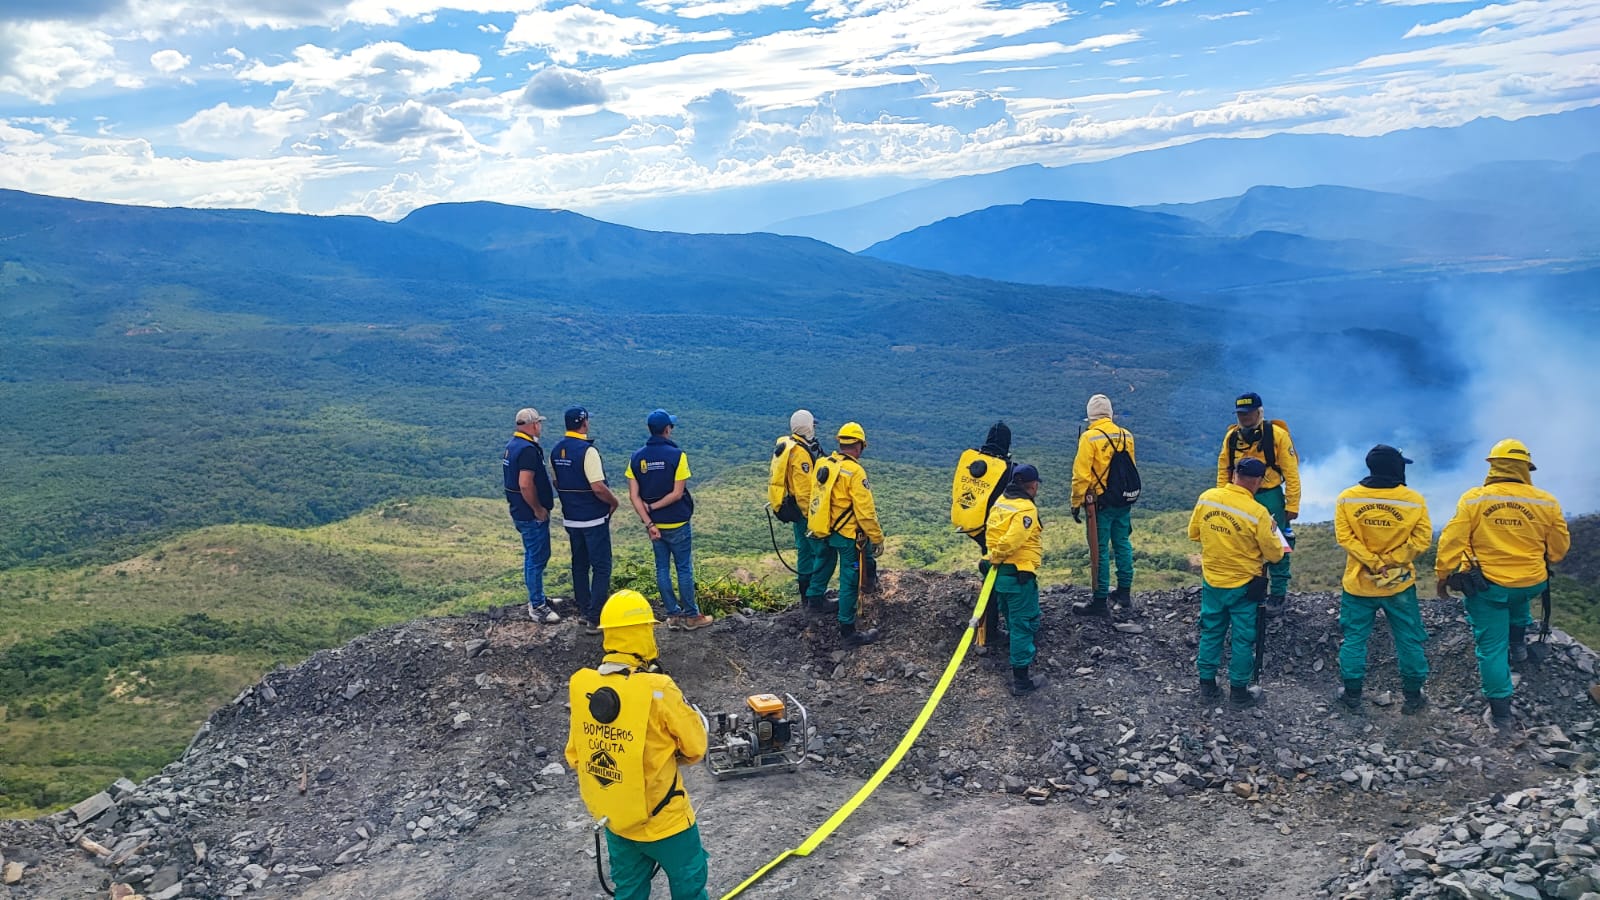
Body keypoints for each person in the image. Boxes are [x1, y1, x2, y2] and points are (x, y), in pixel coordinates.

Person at [565, 590, 710, 900]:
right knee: (690, 883)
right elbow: (696, 747)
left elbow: (576, 755)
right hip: (666, 821)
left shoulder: (583, 685)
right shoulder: (657, 687)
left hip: (616, 819)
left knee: (629, 891)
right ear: (643, 632)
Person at [1435, 439, 1571, 730]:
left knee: (1491, 648)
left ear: (1493, 466)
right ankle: (1519, 647)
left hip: (1490, 587)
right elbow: (1558, 551)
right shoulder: (1546, 501)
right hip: (1533, 582)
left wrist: (1443, 576)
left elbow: (1451, 541)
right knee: (1518, 597)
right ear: (1526, 469)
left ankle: (1501, 715)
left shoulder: (1474, 499)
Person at [1333, 445, 1433, 715]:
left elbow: (1346, 539)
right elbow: (1422, 540)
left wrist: (1374, 563)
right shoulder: (1414, 500)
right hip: (1398, 584)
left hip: (1358, 584)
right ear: (1397, 468)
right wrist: (1391, 561)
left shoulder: (1347, 498)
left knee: (1355, 638)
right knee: (1408, 639)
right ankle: (1413, 696)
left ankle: (1352, 694)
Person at [1188, 458, 1287, 708]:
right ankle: (1239, 693)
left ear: (1233, 475)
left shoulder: (1207, 497)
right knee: (1243, 638)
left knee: (1211, 631)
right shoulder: (1258, 513)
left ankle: (1207, 686)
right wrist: (1273, 529)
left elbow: (1194, 533)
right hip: (1244, 585)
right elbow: (1275, 555)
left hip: (1212, 580)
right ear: (1258, 481)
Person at [1216, 392, 1300, 617]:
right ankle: (1249, 588)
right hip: (1239, 494)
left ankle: (1278, 593)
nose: (1245, 417)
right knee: (1240, 541)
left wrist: (1292, 505)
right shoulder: (1232, 437)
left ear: (1259, 412)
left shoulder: (1277, 436)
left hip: (1269, 495)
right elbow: (1224, 468)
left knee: (1278, 541)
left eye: (1249, 413)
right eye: (1241, 414)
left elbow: (1292, 473)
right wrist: (1221, 497)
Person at [628, 409, 713, 630]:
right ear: (667, 429)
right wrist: (655, 507)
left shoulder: (636, 458)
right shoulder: (678, 456)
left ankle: (673, 616)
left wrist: (649, 521)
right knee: (683, 568)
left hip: (654, 526)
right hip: (677, 522)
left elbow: (633, 496)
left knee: (662, 568)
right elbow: (677, 494)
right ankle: (692, 616)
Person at [805, 422, 883, 647]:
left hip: (823, 528)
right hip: (848, 535)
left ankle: (815, 601)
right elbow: (866, 512)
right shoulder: (855, 472)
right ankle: (848, 631)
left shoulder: (823, 463)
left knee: (823, 563)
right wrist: (876, 538)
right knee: (850, 579)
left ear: (840, 443)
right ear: (859, 446)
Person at [552, 406, 620, 634]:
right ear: (584, 423)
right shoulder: (588, 451)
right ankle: (595, 616)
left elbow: (556, 482)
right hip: (593, 518)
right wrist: (614, 502)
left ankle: (583, 609)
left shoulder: (555, 450)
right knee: (601, 566)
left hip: (572, 519)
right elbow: (598, 487)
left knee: (579, 564)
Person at [985, 464, 1049, 696]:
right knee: (1024, 622)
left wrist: (991, 558)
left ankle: (1014, 649)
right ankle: (1021, 681)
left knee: (1011, 616)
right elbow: (1012, 540)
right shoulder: (1025, 509)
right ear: (1031, 485)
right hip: (1017, 574)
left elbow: (992, 533)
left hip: (1000, 576)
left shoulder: (1001, 501)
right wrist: (997, 556)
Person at [1070, 394, 1136, 616]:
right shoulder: (1126, 436)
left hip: (1100, 504)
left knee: (1100, 550)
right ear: (1110, 413)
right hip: (1123, 499)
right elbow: (1131, 468)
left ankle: (1099, 601)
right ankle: (1124, 592)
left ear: (1090, 416)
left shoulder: (1089, 438)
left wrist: (1075, 502)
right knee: (1123, 543)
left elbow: (1081, 476)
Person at [951, 422, 1014, 642]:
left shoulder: (971, 460)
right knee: (993, 579)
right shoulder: (1005, 468)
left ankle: (988, 628)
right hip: (991, 531)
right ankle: (989, 631)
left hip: (968, 524)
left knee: (989, 572)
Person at [504, 407, 563, 623]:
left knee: (535, 555)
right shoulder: (528, 449)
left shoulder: (513, 445)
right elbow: (525, 484)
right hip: (530, 514)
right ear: (533, 425)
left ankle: (538, 597)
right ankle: (537, 606)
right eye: (538, 423)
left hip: (519, 510)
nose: (540, 426)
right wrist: (538, 509)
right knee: (536, 558)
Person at [771, 410, 831, 612]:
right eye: (812, 425)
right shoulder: (801, 454)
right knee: (822, 552)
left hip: (793, 508)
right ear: (808, 427)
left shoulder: (790, 446)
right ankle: (816, 597)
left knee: (804, 551)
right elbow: (804, 491)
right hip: (804, 511)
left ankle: (805, 595)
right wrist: (813, 518)